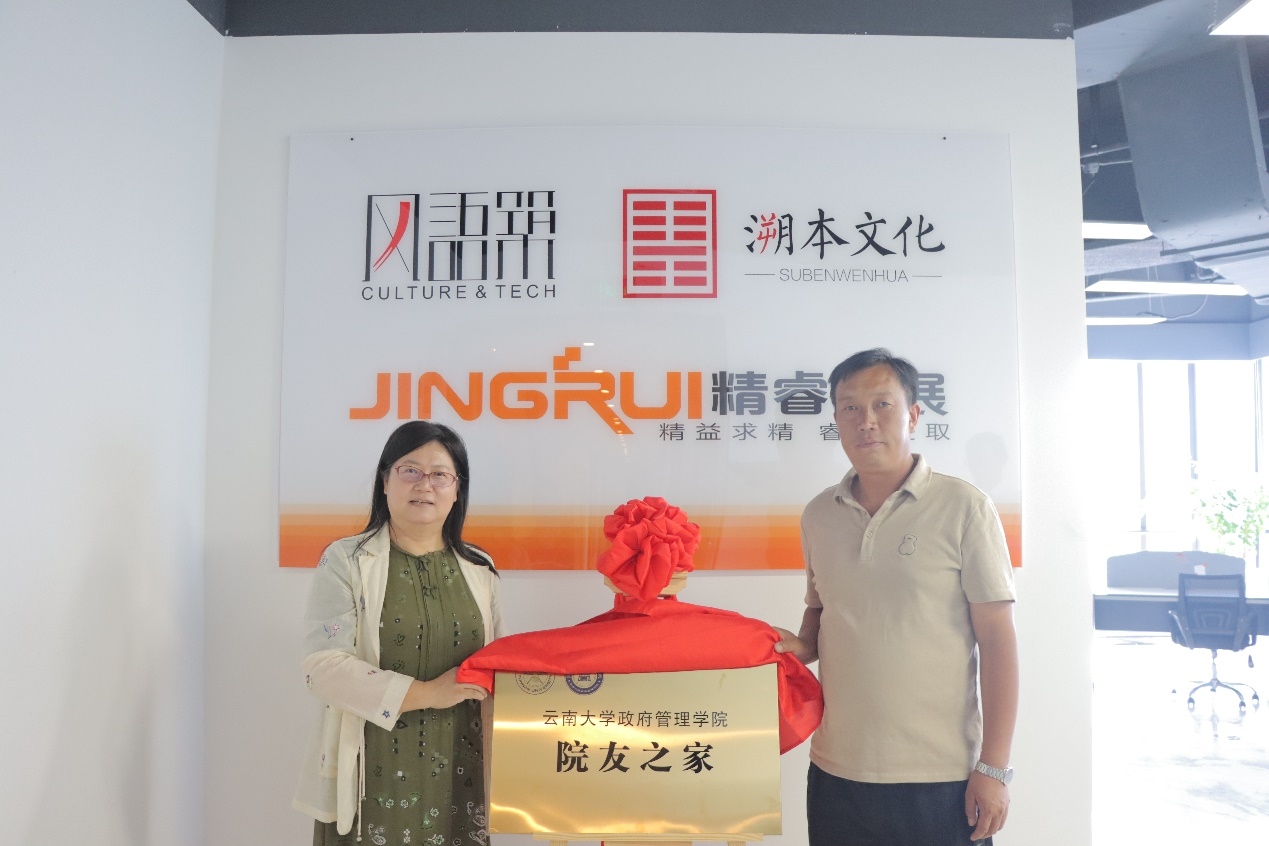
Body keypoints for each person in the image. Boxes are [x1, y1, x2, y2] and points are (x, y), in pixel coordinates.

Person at [774, 348, 1019, 846]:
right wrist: (802, 645)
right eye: (849, 407)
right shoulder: (820, 513)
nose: (865, 421)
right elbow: (821, 607)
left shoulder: (964, 507)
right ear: (836, 419)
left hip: (941, 777)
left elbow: (998, 641)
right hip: (837, 771)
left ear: (913, 415)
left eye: (882, 405)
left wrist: (994, 768)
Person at [293, 421, 506, 846]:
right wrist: (429, 693)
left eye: (440, 474)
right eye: (410, 470)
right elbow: (323, 668)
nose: (424, 484)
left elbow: (496, 667)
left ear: (457, 489)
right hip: (374, 764)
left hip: (461, 767)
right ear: (385, 480)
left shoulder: (480, 569)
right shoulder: (346, 560)